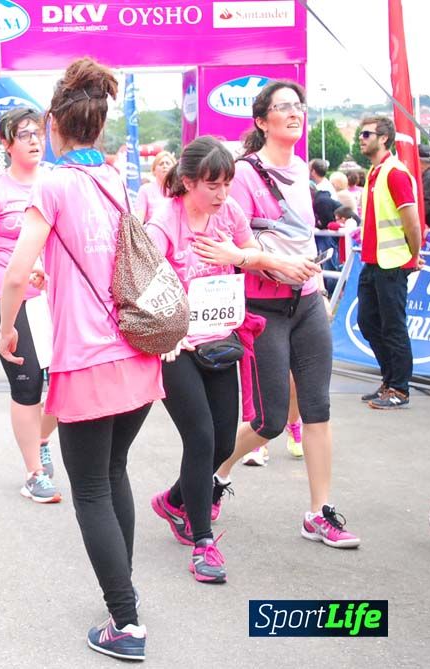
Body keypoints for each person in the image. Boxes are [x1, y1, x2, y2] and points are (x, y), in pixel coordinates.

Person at [0, 57, 160, 661]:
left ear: (55, 122)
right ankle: (125, 591)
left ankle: (126, 621)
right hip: (136, 353)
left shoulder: (53, 183)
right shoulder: (115, 178)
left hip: (86, 358)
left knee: (89, 486)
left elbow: (15, 272)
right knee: (114, 473)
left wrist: (8, 327)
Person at [145, 136, 320, 583]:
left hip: (221, 340)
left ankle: (173, 500)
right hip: (177, 347)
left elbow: (253, 259)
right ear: (187, 183)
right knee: (201, 438)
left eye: (227, 184)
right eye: (213, 186)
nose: (223, 194)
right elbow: (138, 279)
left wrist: (275, 264)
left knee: (224, 444)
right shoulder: (164, 222)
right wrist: (163, 330)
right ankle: (203, 543)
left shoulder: (229, 214)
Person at [212, 80, 360, 550]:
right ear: (261, 121)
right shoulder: (241, 174)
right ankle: (213, 476)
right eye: (283, 107)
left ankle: (318, 513)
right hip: (263, 307)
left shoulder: (304, 169)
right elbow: (227, 243)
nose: (295, 113)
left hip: (309, 300)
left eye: (299, 106)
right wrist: (274, 263)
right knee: (270, 421)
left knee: (317, 409)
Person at [0, 106, 60, 504]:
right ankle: (34, 472)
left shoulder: (56, 182)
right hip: (7, 298)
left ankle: (39, 438)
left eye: (38, 133)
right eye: (24, 134)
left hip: (53, 298)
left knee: (65, 381)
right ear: (6, 145)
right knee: (29, 384)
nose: (35, 140)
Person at [356, 115, 423, 410]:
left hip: (391, 263)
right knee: (368, 322)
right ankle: (390, 380)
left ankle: (399, 388)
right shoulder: (375, 171)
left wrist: (412, 254)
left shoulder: (394, 173)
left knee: (393, 326)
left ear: (384, 138)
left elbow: (412, 221)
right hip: (373, 261)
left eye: (367, 134)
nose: (361, 138)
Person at [134, 151, 175, 223]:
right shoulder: (145, 190)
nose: (164, 166)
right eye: (161, 164)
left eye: (168, 163)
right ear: (154, 170)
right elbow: (138, 220)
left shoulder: (179, 190)